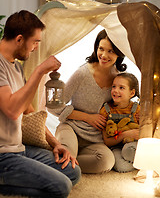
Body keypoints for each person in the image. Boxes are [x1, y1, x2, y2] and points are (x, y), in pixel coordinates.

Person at [0, 10, 81, 198]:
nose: (36, 47)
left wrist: (55, 143)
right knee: (61, 187)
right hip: (3, 156)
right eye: (35, 41)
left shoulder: (16, 67)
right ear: (20, 39)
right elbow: (12, 110)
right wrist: (40, 71)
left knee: (72, 171)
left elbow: (28, 111)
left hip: (18, 148)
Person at [52, 29, 127, 174]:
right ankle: (66, 161)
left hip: (95, 139)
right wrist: (88, 117)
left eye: (111, 51)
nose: (104, 55)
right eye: (101, 49)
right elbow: (55, 107)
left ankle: (68, 163)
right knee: (67, 156)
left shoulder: (118, 80)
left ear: (119, 53)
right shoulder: (82, 73)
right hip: (71, 129)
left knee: (107, 161)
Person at [101, 72, 140, 173]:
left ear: (132, 93)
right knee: (120, 167)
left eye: (121, 88)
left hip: (131, 145)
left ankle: (143, 161)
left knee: (129, 151)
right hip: (115, 147)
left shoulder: (137, 109)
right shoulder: (106, 110)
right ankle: (142, 165)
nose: (115, 90)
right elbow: (107, 141)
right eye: (114, 86)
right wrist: (126, 134)